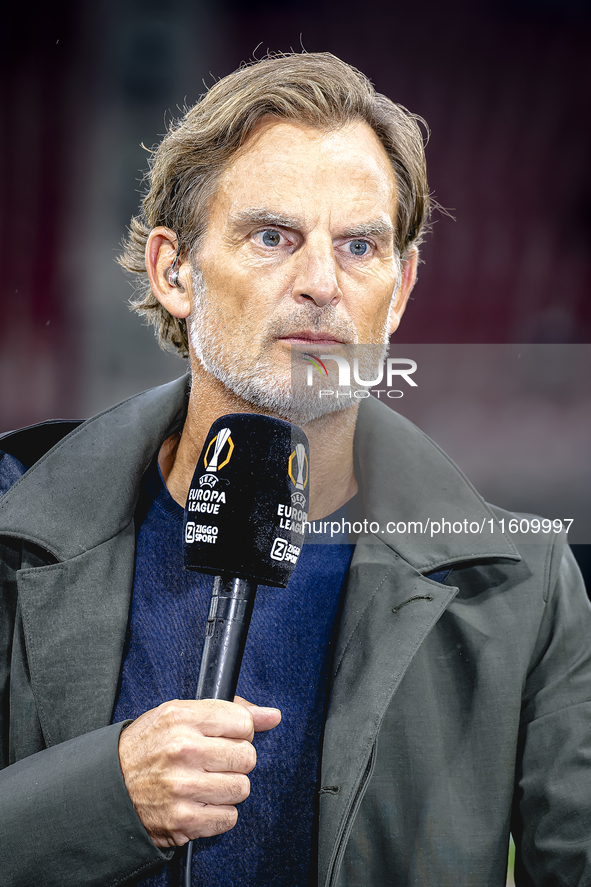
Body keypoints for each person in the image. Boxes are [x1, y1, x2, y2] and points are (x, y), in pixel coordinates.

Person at [1, 52, 590, 887]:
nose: (321, 284)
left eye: (359, 246)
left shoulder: (524, 586)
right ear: (175, 271)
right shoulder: (13, 528)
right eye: (273, 236)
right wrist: (102, 797)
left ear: (402, 286)